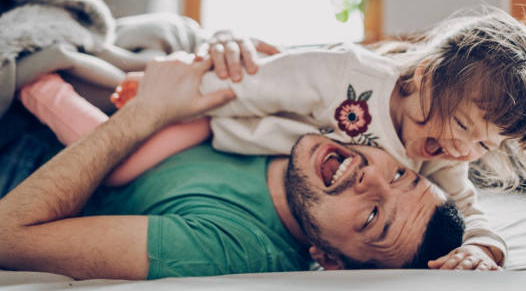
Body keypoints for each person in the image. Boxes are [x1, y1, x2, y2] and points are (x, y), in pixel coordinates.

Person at [18, 7, 526, 270]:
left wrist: (483, 247)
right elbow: (261, 82)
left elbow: (470, 210)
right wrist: (171, 89)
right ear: (427, 78)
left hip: (208, 136)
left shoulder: (435, 166)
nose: (460, 153)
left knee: (119, 162)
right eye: (461, 130)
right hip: (219, 116)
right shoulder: (348, 77)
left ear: (327, 259)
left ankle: (48, 96)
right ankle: (67, 80)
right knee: (139, 95)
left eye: (482, 148)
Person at [0, 54, 466, 280]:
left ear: (331, 261)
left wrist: (150, 112)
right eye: (401, 175)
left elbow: (8, 235)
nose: (373, 179)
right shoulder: (321, 124)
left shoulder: (232, 250)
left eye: (372, 217)